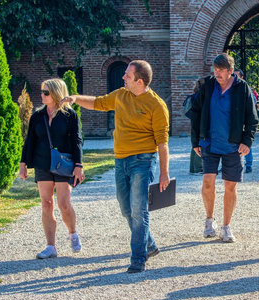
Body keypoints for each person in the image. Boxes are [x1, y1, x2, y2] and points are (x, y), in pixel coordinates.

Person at [60, 60, 170, 273]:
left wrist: (164, 173)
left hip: (143, 161)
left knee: (139, 209)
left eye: (127, 76)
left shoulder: (157, 105)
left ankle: (138, 258)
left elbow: (162, 143)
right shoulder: (121, 95)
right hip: (120, 160)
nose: (123, 78)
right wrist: (75, 98)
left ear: (139, 81)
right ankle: (150, 245)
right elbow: (98, 102)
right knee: (125, 208)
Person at [190, 54, 258, 242]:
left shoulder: (242, 88)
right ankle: (209, 221)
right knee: (208, 183)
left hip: (233, 146)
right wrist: (195, 141)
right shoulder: (208, 86)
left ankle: (226, 226)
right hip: (210, 144)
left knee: (230, 186)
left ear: (231, 71)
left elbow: (252, 118)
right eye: (215, 70)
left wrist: (247, 141)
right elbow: (195, 112)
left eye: (221, 71)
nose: (217, 73)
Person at [19, 78, 84, 259]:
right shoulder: (37, 116)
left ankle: (72, 233)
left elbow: (77, 141)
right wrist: (23, 164)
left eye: (46, 92)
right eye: (41, 91)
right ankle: (51, 247)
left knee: (64, 204)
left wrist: (78, 165)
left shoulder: (69, 116)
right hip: (42, 164)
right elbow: (29, 141)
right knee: (47, 204)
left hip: (63, 165)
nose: (42, 95)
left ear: (56, 93)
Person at [234, 69, 255, 173]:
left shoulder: (246, 88)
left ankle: (248, 164)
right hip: (235, 123)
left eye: (237, 75)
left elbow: (253, 104)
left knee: (246, 142)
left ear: (241, 77)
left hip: (244, 121)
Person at [187, 78, 206, 175]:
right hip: (200, 120)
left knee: (195, 145)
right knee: (201, 142)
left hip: (195, 120)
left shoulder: (195, 94)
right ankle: (198, 168)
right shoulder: (201, 94)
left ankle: (192, 168)